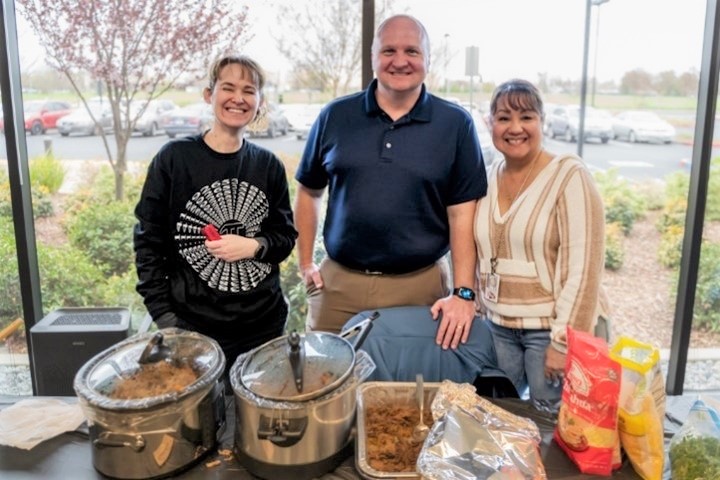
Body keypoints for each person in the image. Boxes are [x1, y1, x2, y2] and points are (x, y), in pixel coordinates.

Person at [294, 14, 487, 350]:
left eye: (412, 51)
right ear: (373, 59)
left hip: (419, 288)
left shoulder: (455, 124)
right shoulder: (335, 116)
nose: (400, 61)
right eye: (388, 51)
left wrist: (464, 292)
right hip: (338, 286)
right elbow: (309, 191)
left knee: (407, 395)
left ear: (427, 58)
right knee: (322, 388)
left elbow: (462, 215)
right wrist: (306, 262)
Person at [133, 54, 297, 375]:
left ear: (260, 101)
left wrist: (253, 246)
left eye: (249, 90)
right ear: (210, 95)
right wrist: (166, 319)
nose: (238, 98)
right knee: (204, 421)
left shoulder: (268, 166)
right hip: (194, 327)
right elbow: (147, 244)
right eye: (228, 88)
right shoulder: (174, 159)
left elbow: (285, 237)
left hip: (263, 325)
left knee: (255, 420)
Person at [474, 79, 610, 409]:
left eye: (527, 117)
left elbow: (585, 266)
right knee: (502, 421)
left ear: (542, 121)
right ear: (490, 123)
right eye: (504, 117)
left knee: (555, 428)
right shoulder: (488, 175)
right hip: (498, 327)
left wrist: (564, 342)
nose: (515, 128)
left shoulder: (568, 175)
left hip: (549, 330)